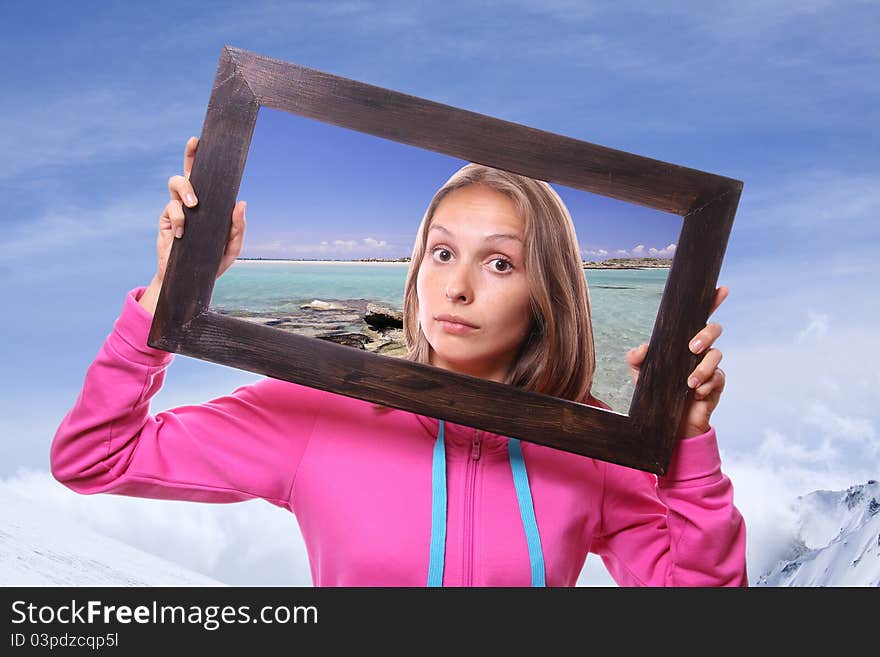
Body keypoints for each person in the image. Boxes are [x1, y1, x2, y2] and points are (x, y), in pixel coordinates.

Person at [50, 136, 747, 587]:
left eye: (500, 262)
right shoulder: (319, 410)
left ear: (547, 292)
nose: (458, 285)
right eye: (442, 252)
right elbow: (94, 455)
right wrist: (162, 301)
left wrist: (686, 449)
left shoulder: (592, 445)